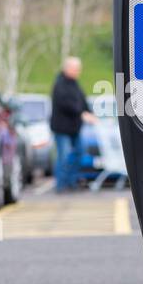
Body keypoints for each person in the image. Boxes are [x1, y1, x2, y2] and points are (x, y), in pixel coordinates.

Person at [49, 56, 97, 193]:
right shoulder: (60, 84)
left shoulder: (74, 83)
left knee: (79, 153)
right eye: (76, 69)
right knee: (63, 157)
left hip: (75, 128)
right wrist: (81, 113)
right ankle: (61, 185)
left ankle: (71, 181)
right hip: (62, 128)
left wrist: (89, 112)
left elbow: (82, 100)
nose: (78, 71)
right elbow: (65, 104)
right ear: (67, 68)